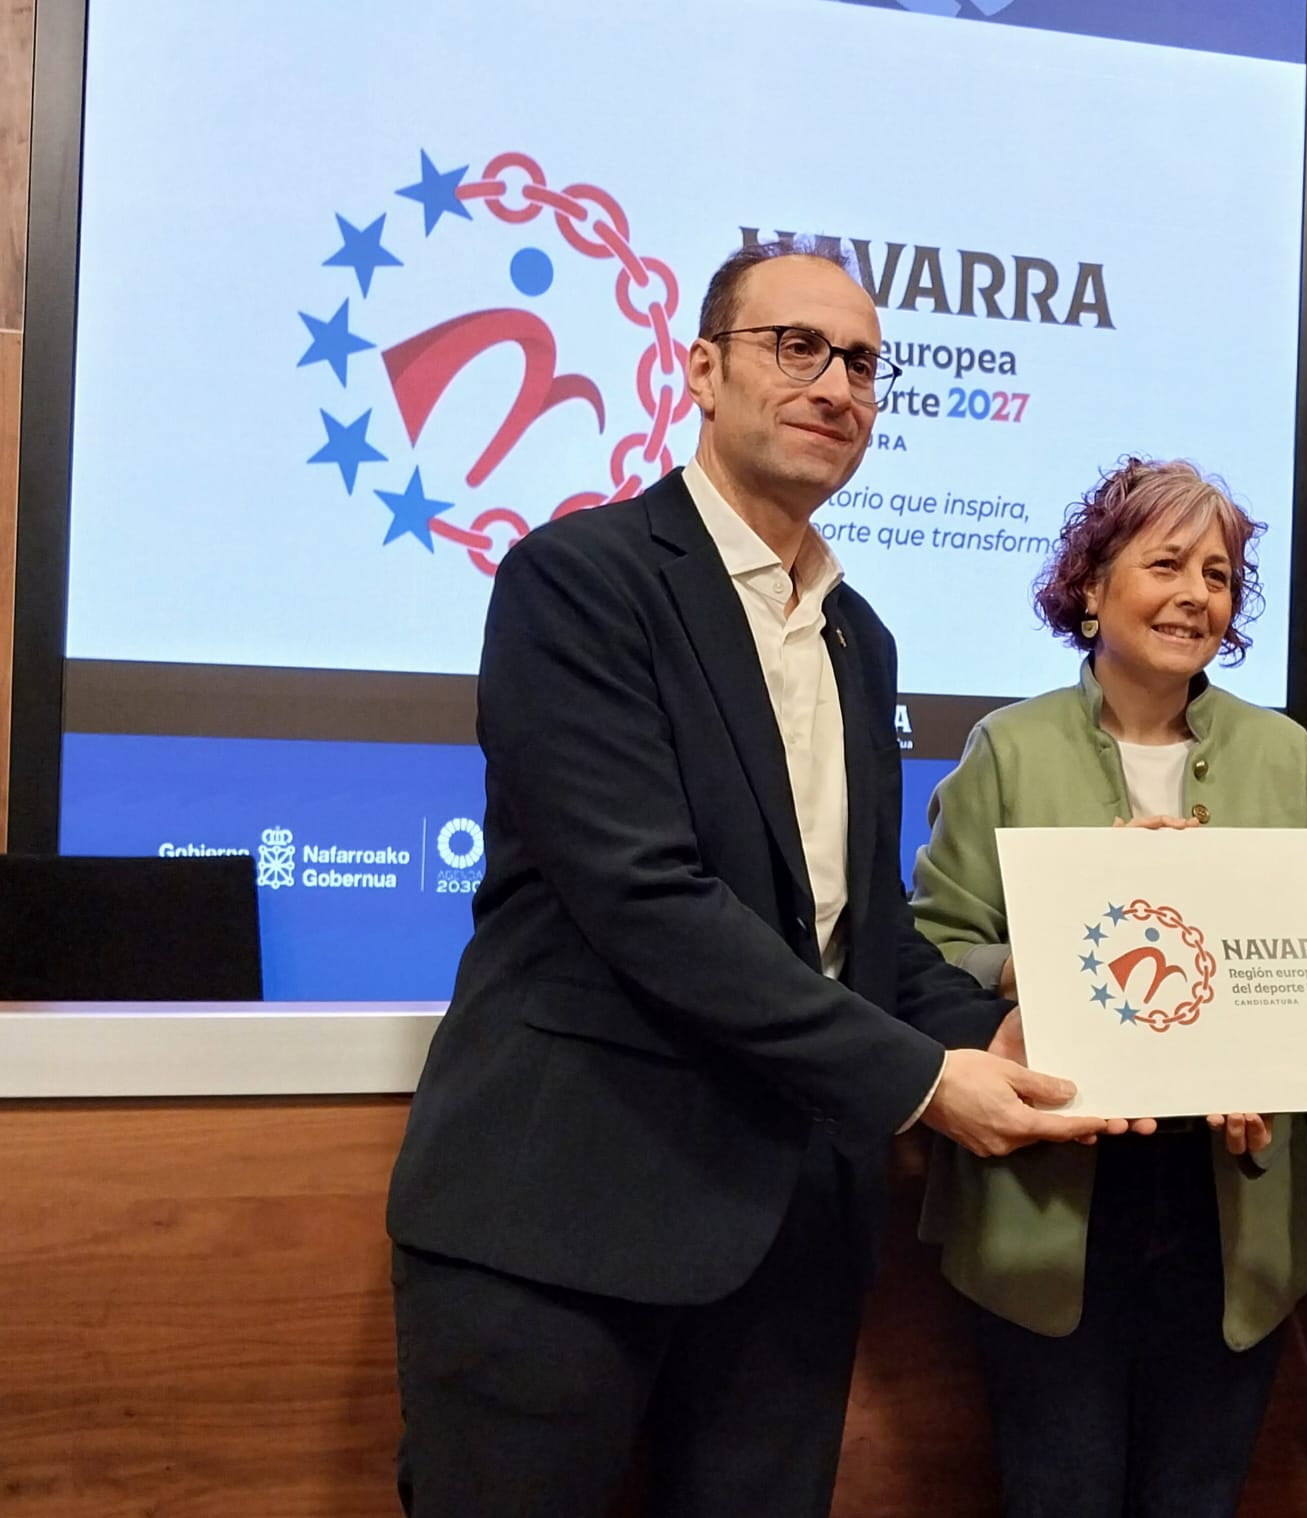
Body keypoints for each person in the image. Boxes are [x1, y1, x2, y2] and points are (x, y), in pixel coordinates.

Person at [384, 242, 1107, 1518]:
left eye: (864, 365)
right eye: (798, 348)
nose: (836, 385)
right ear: (702, 371)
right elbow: (645, 901)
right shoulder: (581, 578)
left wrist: (998, 1031)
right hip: (563, 1221)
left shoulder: (858, 635)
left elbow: (859, 934)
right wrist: (926, 1081)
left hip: (788, 1239)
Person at [911, 458, 1307, 1518]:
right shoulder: (1004, 747)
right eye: (1164, 564)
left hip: (1231, 1199)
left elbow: (1306, 961)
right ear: (1091, 587)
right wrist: (1054, 946)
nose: (1197, 594)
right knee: (1057, 1492)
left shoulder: (1280, 752)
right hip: (1055, 1198)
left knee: (1197, 1496)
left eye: (1219, 572)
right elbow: (933, 948)